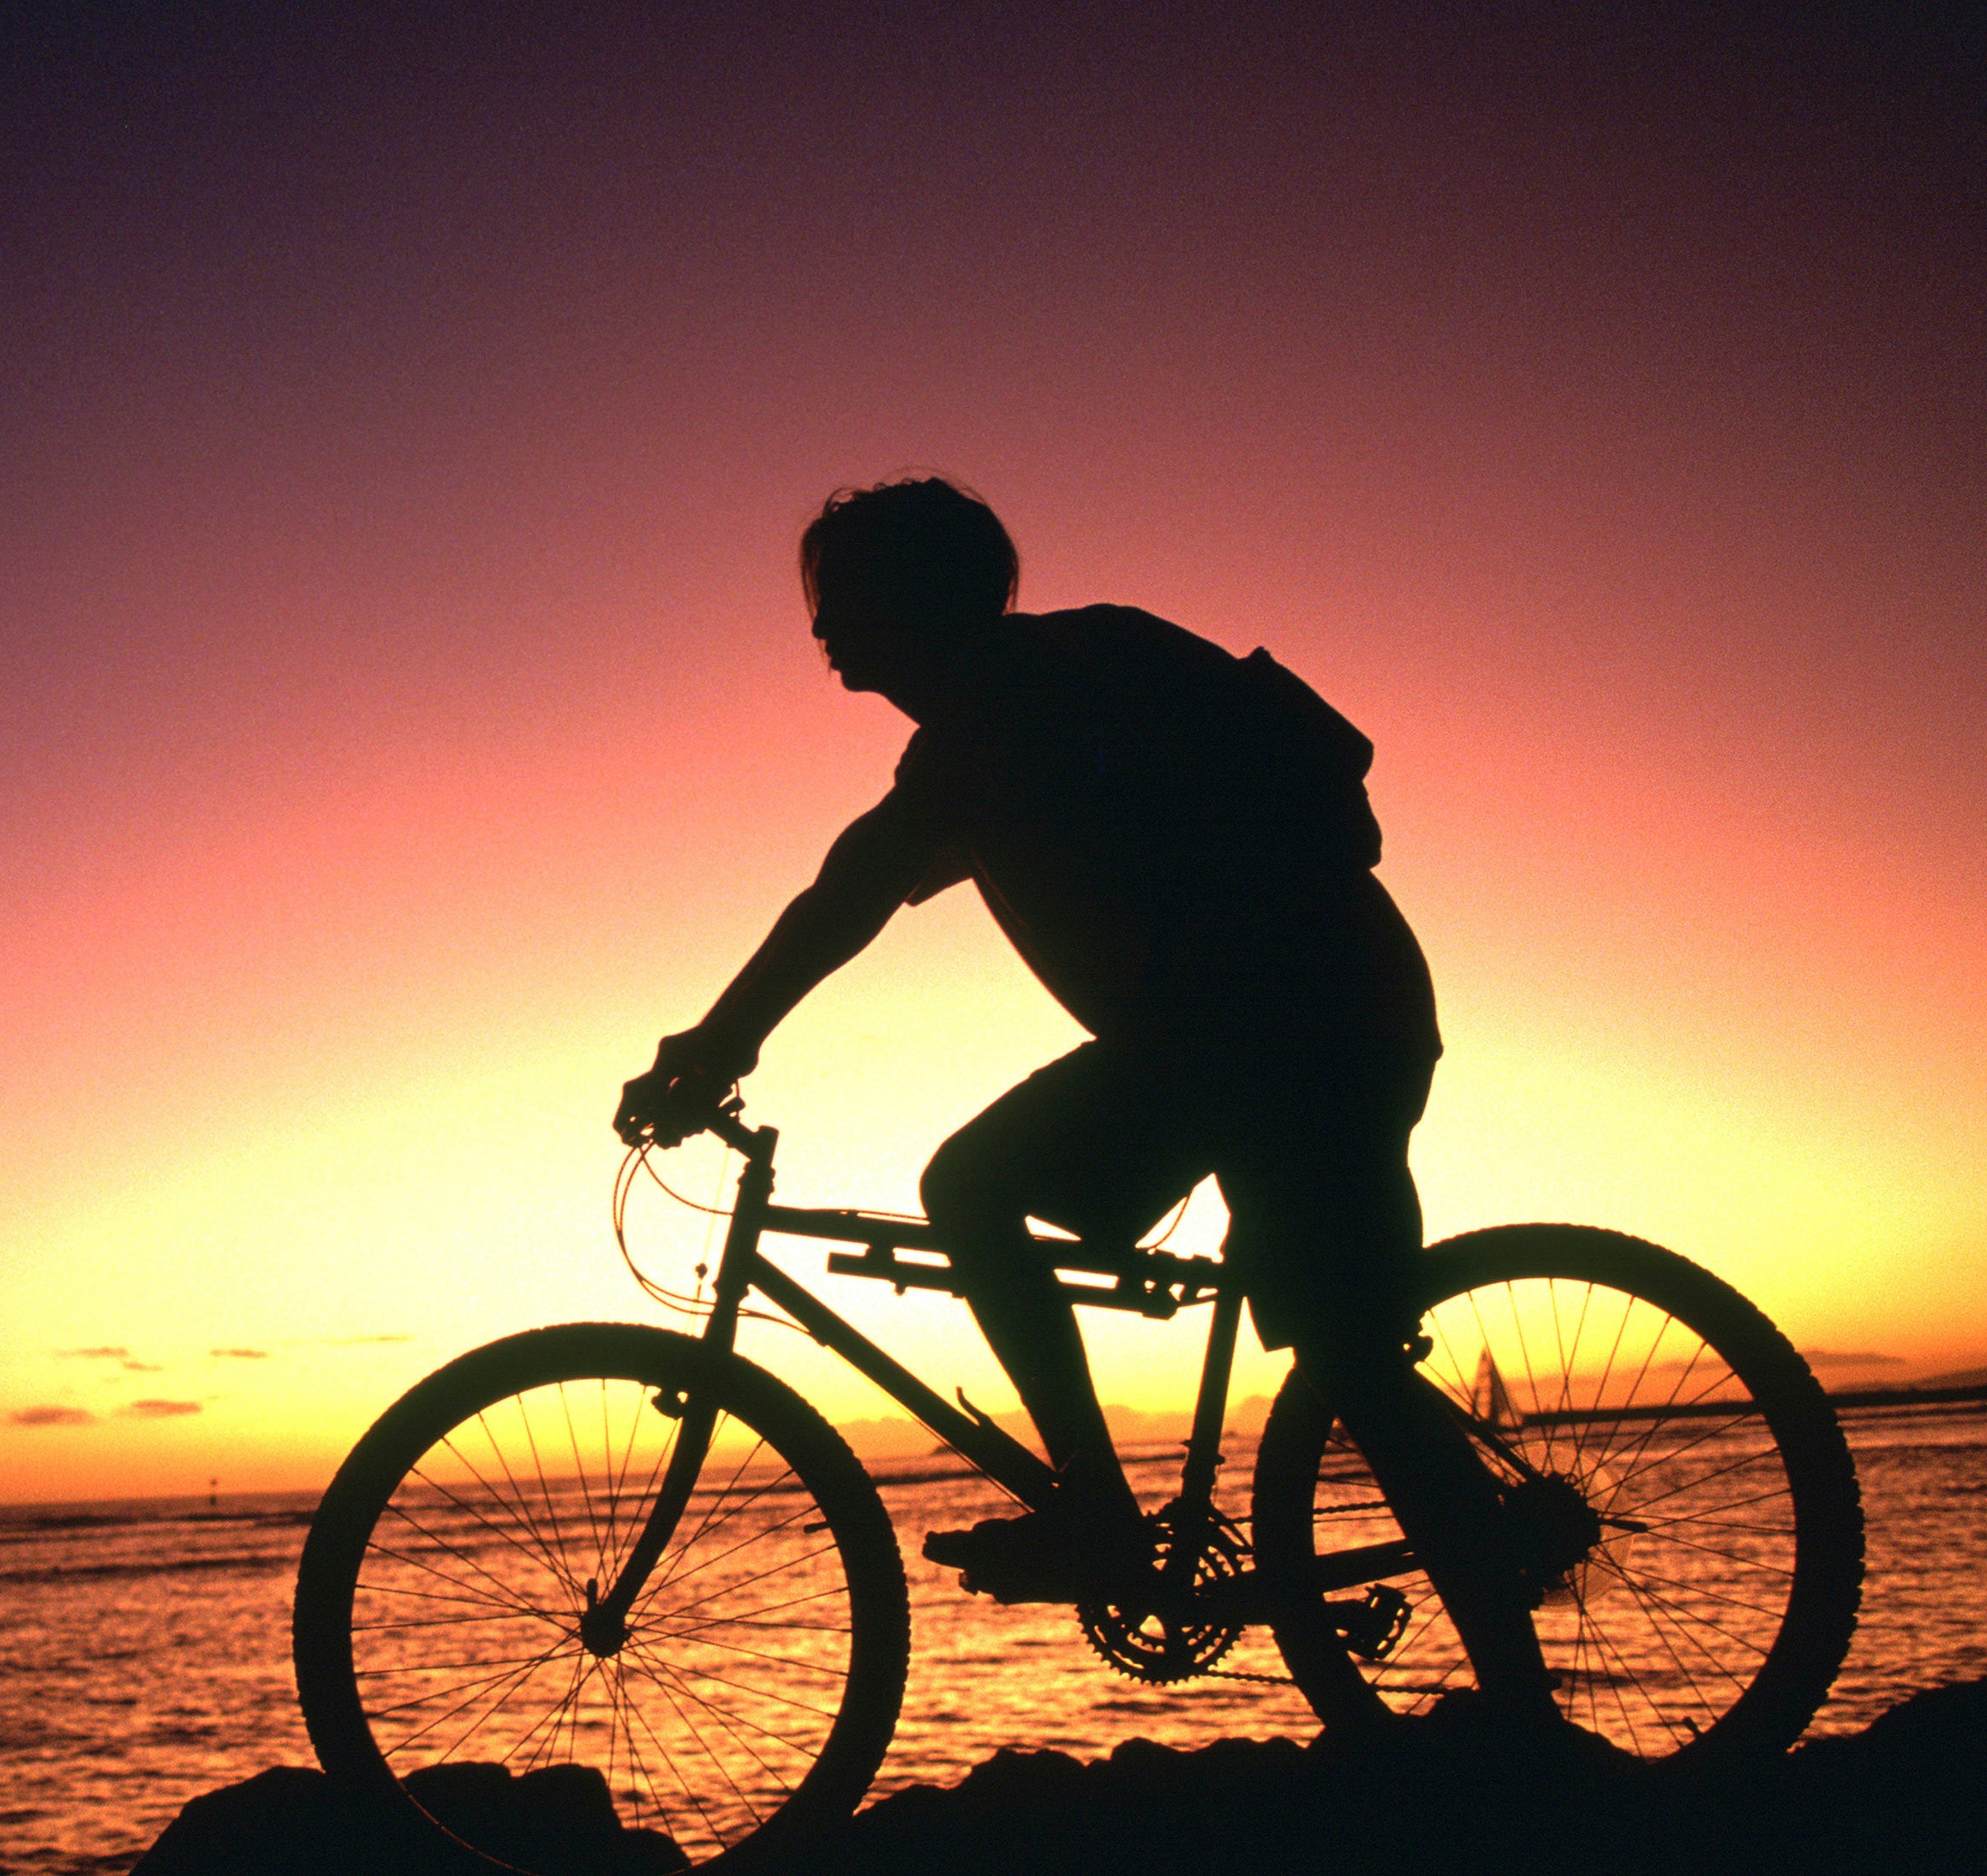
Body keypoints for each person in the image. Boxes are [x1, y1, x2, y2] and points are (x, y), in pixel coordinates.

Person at [613, 475, 1554, 1715]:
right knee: (1338, 1342)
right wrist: (722, 1036)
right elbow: (867, 877)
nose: (821, 628)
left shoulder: (1007, 709)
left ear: (918, 597)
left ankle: (1124, 1536)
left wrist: (718, 1043)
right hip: (1284, 1026)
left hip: (1282, 1030)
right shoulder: (1040, 686)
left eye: (841, 597)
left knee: (1001, 1197)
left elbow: (854, 889)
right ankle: (1493, 1706)